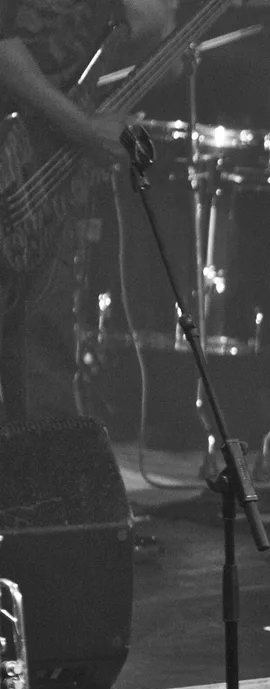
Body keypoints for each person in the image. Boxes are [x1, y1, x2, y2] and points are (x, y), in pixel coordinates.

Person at [0, 0, 177, 424]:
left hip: (44, 174)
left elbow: (138, 27)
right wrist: (84, 129)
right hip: (21, 147)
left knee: (45, 368)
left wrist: (163, 29)